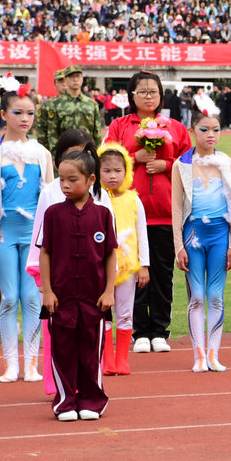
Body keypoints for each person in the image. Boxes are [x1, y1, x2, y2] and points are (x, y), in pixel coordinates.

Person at [103, 71, 189, 353]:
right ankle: (139, 331)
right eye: (142, 91)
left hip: (165, 212)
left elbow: (190, 163)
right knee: (132, 273)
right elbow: (106, 161)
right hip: (128, 215)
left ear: (161, 95)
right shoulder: (119, 125)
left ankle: (160, 330)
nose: (148, 96)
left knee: (163, 274)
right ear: (132, 95)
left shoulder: (175, 127)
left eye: (153, 91)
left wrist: (166, 165)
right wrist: (133, 157)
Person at [39, 147, 117, 421]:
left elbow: (110, 255)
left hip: (94, 299)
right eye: (62, 179)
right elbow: (45, 252)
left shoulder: (104, 215)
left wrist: (109, 291)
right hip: (61, 299)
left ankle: (91, 400)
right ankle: (65, 401)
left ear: (91, 180)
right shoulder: (52, 214)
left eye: (72, 180)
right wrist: (48, 291)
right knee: (62, 351)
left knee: (90, 352)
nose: (65, 185)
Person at [172, 94, 231, 373]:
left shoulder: (227, 163)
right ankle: (198, 355)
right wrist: (179, 246)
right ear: (192, 130)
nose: (211, 135)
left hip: (220, 235)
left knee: (215, 296)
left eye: (216, 129)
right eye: (204, 129)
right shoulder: (181, 165)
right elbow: (177, 209)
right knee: (197, 296)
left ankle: (213, 354)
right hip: (193, 236)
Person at [0, 77, 52, 382]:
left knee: (31, 298)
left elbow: (51, 198)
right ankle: (11, 364)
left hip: (35, 237)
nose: (24, 119)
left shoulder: (42, 153)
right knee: (9, 297)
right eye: (17, 112)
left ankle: (31, 363)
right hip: (2, 235)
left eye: (30, 113)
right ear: (3, 114)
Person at [96, 143, 148, 376]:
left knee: (125, 312)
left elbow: (142, 233)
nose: (112, 176)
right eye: (106, 170)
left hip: (127, 267)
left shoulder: (133, 200)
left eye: (118, 170)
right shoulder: (95, 199)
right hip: (100, 266)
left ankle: (122, 359)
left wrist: (144, 265)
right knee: (103, 311)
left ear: (126, 172)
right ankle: (107, 360)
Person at [34, 64, 102, 153]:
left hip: (87, 154)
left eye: (78, 76)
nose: (75, 79)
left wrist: (96, 154)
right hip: (64, 154)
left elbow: (97, 133)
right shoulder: (55, 104)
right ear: (66, 79)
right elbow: (52, 133)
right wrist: (54, 155)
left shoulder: (92, 104)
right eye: (71, 77)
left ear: (82, 79)